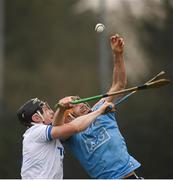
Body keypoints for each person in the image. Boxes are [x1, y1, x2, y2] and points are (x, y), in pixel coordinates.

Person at [55, 34, 142, 179]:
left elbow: (119, 84)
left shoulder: (101, 108)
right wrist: (61, 108)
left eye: (80, 99)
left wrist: (118, 54)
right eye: (75, 104)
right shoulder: (72, 134)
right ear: (69, 116)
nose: (81, 103)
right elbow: (57, 127)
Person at [17, 97, 114, 179]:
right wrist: (99, 111)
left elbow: (61, 124)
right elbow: (75, 127)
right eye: (46, 109)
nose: (52, 112)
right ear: (36, 118)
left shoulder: (46, 135)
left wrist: (62, 109)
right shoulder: (36, 131)